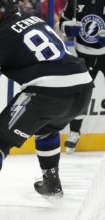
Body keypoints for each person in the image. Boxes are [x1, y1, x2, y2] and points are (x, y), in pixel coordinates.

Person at [0, 0, 94, 218]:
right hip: (82, 88)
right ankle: (51, 182)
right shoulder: (36, 20)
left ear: (1, 11)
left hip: (47, 91)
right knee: (46, 128)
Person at [59, 0, 105, 153]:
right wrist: (67, 29)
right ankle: (74, 132)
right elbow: (62, 23)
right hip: (83, 55)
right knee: (80, 95)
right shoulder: (75, 1)